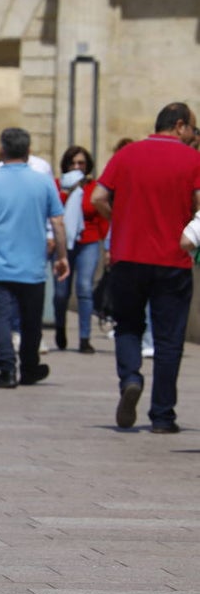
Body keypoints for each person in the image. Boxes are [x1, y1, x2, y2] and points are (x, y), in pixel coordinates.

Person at [92, 102, 200, 433]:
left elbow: (98, 197)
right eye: (193, 128)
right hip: (172, 259)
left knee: (128, 325)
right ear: (179, 126)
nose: (194, 135)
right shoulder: (192, 159)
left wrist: (120, 220)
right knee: (169, 339)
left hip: (127, 255)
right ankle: (163, 416)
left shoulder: (127, 154)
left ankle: (130, 378)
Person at [0, 127, 69, 388]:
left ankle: (7, 369)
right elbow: (58, 222)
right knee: (31, 321)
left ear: (2, 150)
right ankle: (29, 366)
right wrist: (62, 256)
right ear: (28, 151)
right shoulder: (43, 182)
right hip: (33, 265)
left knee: (0, 318)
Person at [53, 145, 108, 354]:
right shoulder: (58, 185)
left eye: (81, 163)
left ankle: (85, 338)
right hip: (63, 243)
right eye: (73, 163)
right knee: (61, 292)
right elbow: (54, 211)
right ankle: (60, 326)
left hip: (89, 241)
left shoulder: (94, 187)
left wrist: (108, 246)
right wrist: (67, 192)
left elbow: (102, 216)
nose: (77, 167)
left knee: (84, 287)